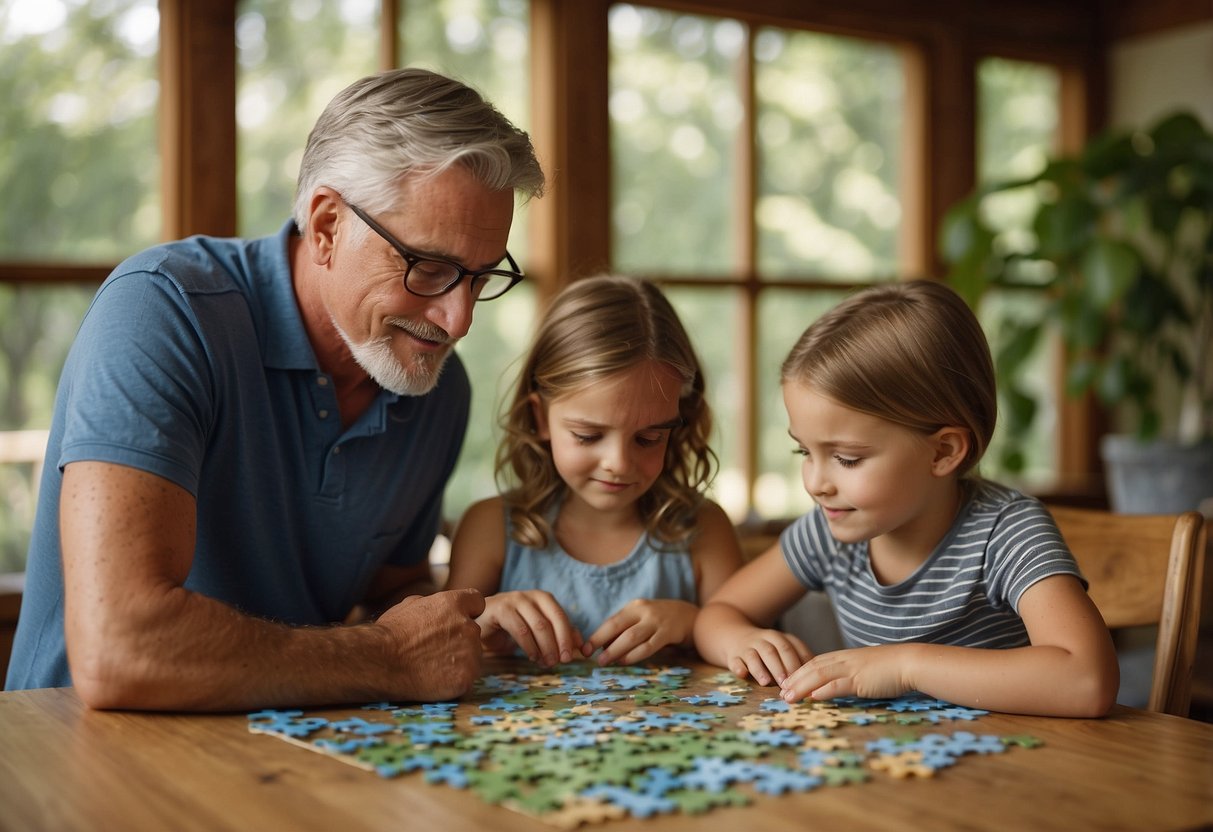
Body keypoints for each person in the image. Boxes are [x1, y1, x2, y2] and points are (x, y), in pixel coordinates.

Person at [5, 68, 546, 710]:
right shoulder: (163, 311)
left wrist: (467, 618)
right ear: (326, 226)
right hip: (81, 765)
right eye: (428, 267)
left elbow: (390, 590)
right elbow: (122, 649)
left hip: (286, 762)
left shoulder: (435, 382)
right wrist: (391, 656)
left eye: (482, 276)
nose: (459, 321)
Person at [692, 280, 1120, 718]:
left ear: (943, 452)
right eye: (804, 451)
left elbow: (1087, 680)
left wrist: (905, 664)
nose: (816, 482)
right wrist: (741, 641)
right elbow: (717, 613)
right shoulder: (829, 530)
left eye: (846, 458)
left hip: (1007, 770)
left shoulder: (1007, 532)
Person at [445, 276, 743, 668]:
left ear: (678, 424)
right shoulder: (491, 529)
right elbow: (442, 641)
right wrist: (485, 620)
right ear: (540, 417)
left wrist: (694, 624)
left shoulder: (704, 530)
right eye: (588, 436)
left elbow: (745, 639)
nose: (618, 463)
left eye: (649, 438)